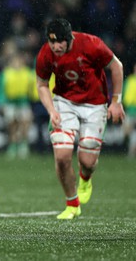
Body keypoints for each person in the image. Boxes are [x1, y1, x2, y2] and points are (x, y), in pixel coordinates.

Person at [35, 18, 126, 219]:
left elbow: (117, 66)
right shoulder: (45, 53)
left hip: (95, 105)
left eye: (60, 41)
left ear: (70, 39)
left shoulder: (91, 44)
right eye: (52, 41)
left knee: (87, 161)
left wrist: (116, 102)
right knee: (62, 156)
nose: (56, 46)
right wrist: (52, 110)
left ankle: (86, 177)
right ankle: (72, 204)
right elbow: (42, 84)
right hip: (64, 103)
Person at [0, 53, 33, 159]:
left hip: (24, 102)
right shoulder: (6, 73)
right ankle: (12, 146)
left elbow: (32, 88)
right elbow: (1, 89)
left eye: (18, 61)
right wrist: (1, 103)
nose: (17, 64)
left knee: (25, 124)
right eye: (15, 61)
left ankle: (23, 145)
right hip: (10, 102)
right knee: (12, 126)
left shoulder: (27, 73)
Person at [123, 63, 136, 158]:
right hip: (129, 109)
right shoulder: (130, 80)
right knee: (127, 132)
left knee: (132, 133)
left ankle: (131, 153)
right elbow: (124, 92)